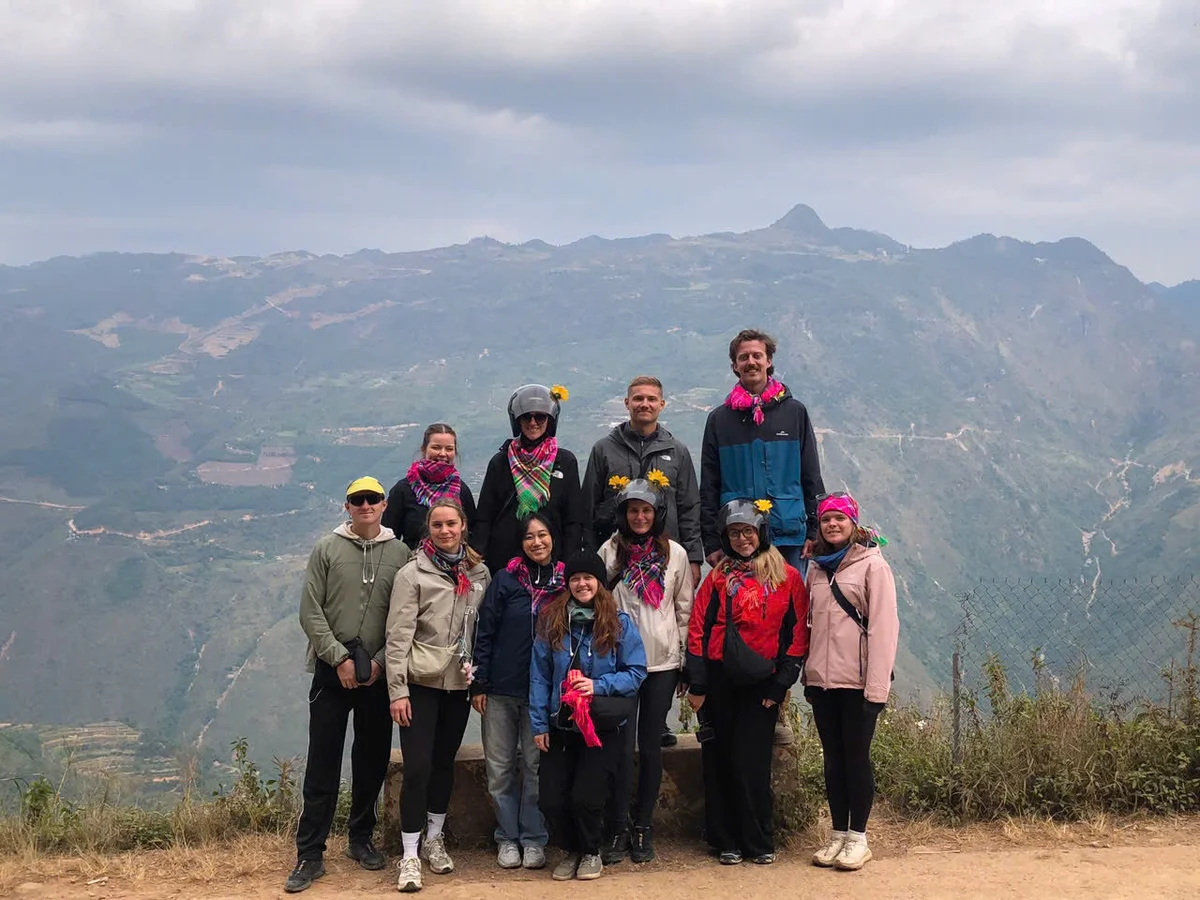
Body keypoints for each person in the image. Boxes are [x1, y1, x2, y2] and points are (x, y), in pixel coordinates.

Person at [286, 477, 411, 894]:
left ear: (384, 504)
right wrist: (337, 657)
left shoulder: (400, 553)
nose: (365, 506)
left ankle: (360, 839)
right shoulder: (327, 548)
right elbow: (310, 610)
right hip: (331, 670)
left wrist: (378, 663)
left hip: (376, 672)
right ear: (347, 506)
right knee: (323, 759)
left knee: (371, 759)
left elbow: (404, 615)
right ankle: (310, 853)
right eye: (358, 501)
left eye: (372, 500)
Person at [685, 499, 809, 866]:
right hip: (721, 677)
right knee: (720, 757)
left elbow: (797, 633)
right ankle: (725, 839)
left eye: (748, 532)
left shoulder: (787, 577)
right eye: (734, 533)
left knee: (752, 762)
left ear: (761, 534)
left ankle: (757, 839)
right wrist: (699, 683)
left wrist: (781, 684)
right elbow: (698, 627)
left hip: (762, 681)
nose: (742, 540)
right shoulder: (718, 577)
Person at [386, 498, 491, 893]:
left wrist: (479, 682)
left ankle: (434, 839)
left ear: (463, 526)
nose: (445, 531)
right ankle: (409, 853)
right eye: (437, 525)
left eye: (451, 523)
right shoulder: (413, 574)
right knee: (417, 768)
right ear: (427, 529)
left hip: (458, 685)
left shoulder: (478, 572)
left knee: (444, 764)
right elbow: (397, 637)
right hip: (420, 684)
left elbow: (484, 633)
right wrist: (397, 692)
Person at [530, 552, 647, 882]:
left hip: (600, 725)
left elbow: (636, 673)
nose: (582, 584)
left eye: (589, 578)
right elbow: (539, 676)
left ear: (599, 583)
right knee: (552, 798)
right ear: (568, 584)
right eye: (575, 578)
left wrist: (597, 685)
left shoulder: (618, 623)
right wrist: (539, 723)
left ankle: (591, 850)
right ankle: (571, 849)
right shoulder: (552, 620)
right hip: (560, 724)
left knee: (587, 795)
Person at [597, 479, 693, 864]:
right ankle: (617, 826)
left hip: (661, 662)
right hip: (620, 664)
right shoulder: (609, 552)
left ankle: (643, 825)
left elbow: (683, 608)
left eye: (646, 511)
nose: (640, 517)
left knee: (650, 747)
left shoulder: (676, 556)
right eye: (633, 510)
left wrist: (685, 660)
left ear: (657, 515)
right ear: (623, 514)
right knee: (620, 749)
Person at [804, 491, 898, 872]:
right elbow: (811, 624)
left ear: (853, 523)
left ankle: (859, 838)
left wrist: (876, 691)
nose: (832, 524)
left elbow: (883, 630)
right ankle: (838, 834)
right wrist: (809, 674)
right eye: (826, 519)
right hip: (823, 682)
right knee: (833, 759)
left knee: (856, 758)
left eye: (840, 518)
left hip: (858, 683)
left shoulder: (873, 566)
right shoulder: (817, 568)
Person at [470, 511, 564, 871]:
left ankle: (534, 838)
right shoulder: (505, 581)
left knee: (536, 768)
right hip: (500, 690)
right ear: (520, 543)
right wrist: (479, 683)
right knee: (500, 768)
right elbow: (485, 632)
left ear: (552, 538)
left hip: (542, 694)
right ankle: (507, 838)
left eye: (542, 535)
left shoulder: (564, 581)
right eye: (529, 537)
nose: (536, 542)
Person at [699, 328, 825, 575]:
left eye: (757, 356)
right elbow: (710, 485)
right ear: (734, 366)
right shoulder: (720, 420)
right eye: (743, 357)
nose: (751, 362)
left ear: (769, 361)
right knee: (741, 611)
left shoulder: (794, 413)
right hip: (738, 538)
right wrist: (712, 542)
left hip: (788, 536)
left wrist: (814, 530)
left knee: (789, 610)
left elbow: (811, 476)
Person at [582, 376, 704, 587]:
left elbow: (689, 508)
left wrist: (693, 558)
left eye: (652, 399)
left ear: (662, 404)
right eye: (638, 398)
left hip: (666, 555)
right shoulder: (604, 449)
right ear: (627, 403)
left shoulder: (677, 452)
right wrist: (591, 558)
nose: (645, 404)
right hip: (615, 558)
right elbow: (588, 506)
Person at [475, 383, 585, 574]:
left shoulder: (565, 462)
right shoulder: (501, 462)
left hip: (553, 563)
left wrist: (568, 566)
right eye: (526, 416)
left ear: (550, 420)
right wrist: (477, 561)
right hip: (505, 564)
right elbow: (485, 517)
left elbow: (573, 520)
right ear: (516, 420)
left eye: (540, 417)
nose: (533, 423)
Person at [382, 423, 477, 549]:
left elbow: (472, 535)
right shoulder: (404, 490)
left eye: (449, 449)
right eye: (436, 447)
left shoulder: (461, 490)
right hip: (412, 564)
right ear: (424, 449)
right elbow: (389, 538)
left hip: (455, 565)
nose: (443, 454)